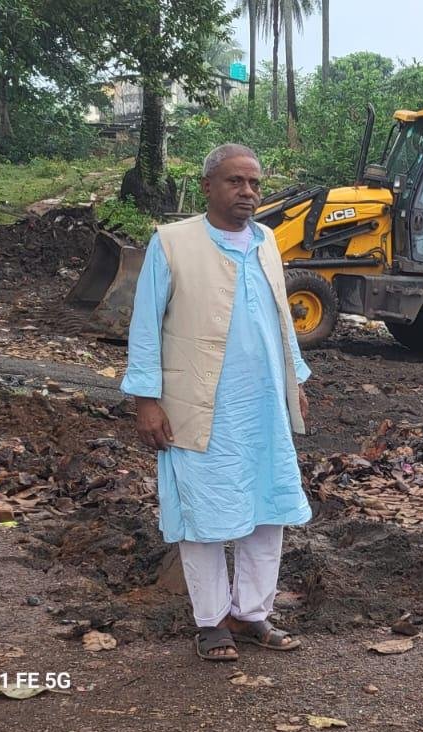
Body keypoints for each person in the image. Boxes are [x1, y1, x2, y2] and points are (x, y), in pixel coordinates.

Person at [122, 143, 313, 661]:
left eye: (254, 183)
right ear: (207, 186)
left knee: (268, 509)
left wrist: (295, 379)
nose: (247, 192)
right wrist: (146, 401)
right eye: (235, 181)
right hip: (197, 405)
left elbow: (280, 318)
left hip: (263, 404)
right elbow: (145, 326)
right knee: (203, 514)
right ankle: (211, 623)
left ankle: (252, 613)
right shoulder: (171, 243)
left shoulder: (267, 241)